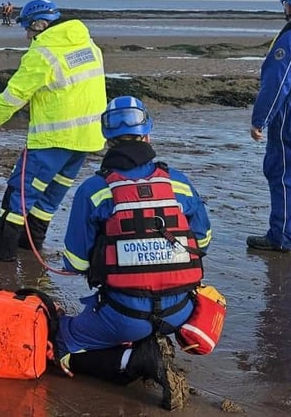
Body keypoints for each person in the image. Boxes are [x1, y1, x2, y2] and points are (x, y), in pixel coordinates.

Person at [53, 96, 211, 410]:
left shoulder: (93, 190)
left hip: (123, 315)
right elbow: (203, 241)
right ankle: (150, 342)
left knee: (60, 346)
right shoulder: (178, 183)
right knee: (136, 319)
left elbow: (77, 262)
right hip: (181, 312)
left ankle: (137, 360)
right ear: (148, 135)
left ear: (107, 141)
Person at [0, 0, 107, 262]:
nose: (26, 35)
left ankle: (3, 251)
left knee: (20, 192)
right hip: (87, 139)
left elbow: (15, 94)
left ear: (40, 24)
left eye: (28, 29)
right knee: (52, 194)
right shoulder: (88, 45)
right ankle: (31, 243)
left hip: (52, 139)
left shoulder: (43, 53)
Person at [247, 0, 291, 252]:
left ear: (288, 4)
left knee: (285, 171)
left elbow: (277, 83)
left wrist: (259, 120)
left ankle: (282, 236)